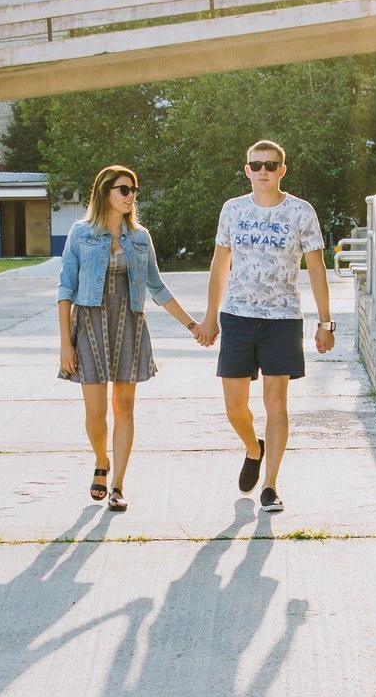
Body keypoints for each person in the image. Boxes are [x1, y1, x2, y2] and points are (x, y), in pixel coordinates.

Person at [57, 165, 205, 512]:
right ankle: (100, 461)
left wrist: (192, 325)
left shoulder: (140, 238)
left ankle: (119, 485)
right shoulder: (80, 234)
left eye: (133, 189)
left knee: (124, 408)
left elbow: (157, 287)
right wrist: (66, 342)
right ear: (105, 192)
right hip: (89, 325)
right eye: (123, 189)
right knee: (95, 414)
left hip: (129, 326)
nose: (130, 196)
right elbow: (65, 287)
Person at [199, 138, 333, 515]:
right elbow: (219, 264)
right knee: (234, 405)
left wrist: (325, 321)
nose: (263, 171)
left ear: (281, 171)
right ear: (247, 170)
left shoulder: (301, 212)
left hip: (283, 318)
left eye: (270, 165)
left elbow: (317, 269)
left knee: (276, 402)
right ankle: (253, 448)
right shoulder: (233, 210)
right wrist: (210, 316)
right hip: (237, 316)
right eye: (256, 165)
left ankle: (271, 485)